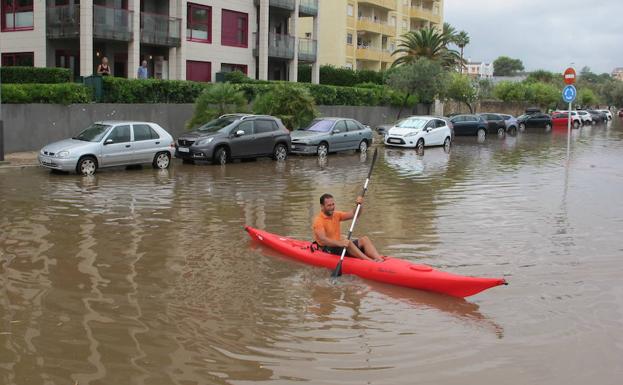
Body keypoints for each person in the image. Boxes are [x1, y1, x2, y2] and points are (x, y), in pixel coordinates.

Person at [312, 193, 383, 262]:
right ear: (322, 206)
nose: (332, 207)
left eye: (333, 204)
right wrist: (340, 243)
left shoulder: (336, 215)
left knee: (364, 239)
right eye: (329, 205)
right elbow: (323, 240)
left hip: (338, 246)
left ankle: (380, 259)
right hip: (327, 249)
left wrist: (359, 205)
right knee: (347, 242)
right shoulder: (318, 220)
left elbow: (354, 214)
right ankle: (370, 261)